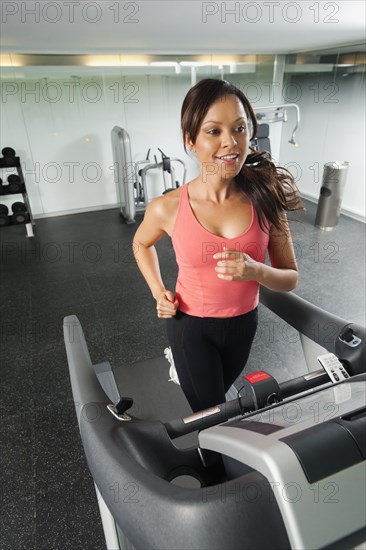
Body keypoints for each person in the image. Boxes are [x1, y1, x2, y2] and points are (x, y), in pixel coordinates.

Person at [133, 78, 303, 413]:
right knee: (213, 415)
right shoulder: (167, 207)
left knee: (218, 400)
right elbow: (141, 244)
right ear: (190, 141)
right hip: (191, 327)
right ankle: (213, 462)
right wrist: (158, 291)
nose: (232, 142)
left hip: (244, 325)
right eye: (214, 131)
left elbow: (290, 277)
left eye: (239, 129)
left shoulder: (266, 200)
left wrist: (256, 270)